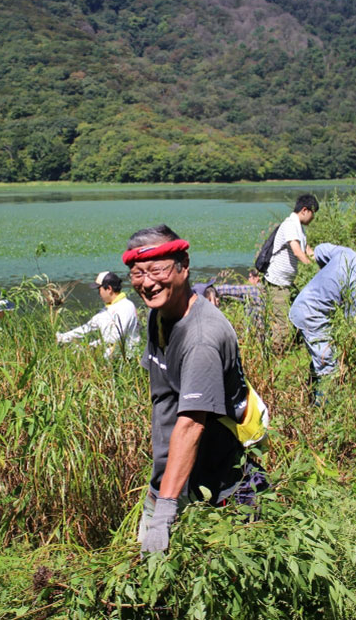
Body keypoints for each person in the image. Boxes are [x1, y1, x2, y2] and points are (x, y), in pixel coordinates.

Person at [124, 225, 266, 554]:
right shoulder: (159, 313)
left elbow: (190, 424)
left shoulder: (201, 338)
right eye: (137, 273)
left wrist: (164, 516)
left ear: (183, 266)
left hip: (210, 488)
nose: (147, 282)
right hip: (172, 479)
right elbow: (167, 401)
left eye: (157, 270)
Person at [289, 244, 356, 401]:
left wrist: (328, 277)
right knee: (329, 365)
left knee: (323, 355)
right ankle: (322, 412)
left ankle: (312, 393)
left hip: (304, 302)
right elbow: (350, 325)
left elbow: (320, 251)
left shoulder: (347, 253)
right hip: (311, 316)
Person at [263, 194, 319, 346]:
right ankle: (276, 359)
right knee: (282, 325)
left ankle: (292, 347)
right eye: (313, 213)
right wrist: (315, 271)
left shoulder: (298, 228)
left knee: (299, 314)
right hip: (278, 283)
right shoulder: (289, 225)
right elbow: (297, 251)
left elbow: (307, 249)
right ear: (305, 210)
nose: (313, 218)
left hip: (287, 282)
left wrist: (321, 262)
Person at [56, 271, 141, 358]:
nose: (99, 294)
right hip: (110, 358)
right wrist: (63, 337)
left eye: (99, 290)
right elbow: (88, 327)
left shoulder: (126, 307)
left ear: (109, 289)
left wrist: (88, 346)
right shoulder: (107, 309)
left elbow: (114, 338)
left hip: (126, 359)